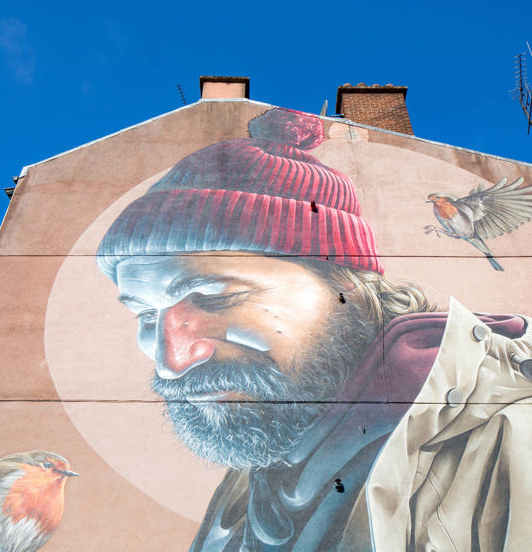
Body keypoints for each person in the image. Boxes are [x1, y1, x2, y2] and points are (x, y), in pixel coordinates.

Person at [96, 108, 532, 551]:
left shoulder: (509, 441)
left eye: (216, 299)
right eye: (147, 316)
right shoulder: (270, 456)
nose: (171, 362)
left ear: (345, 286)